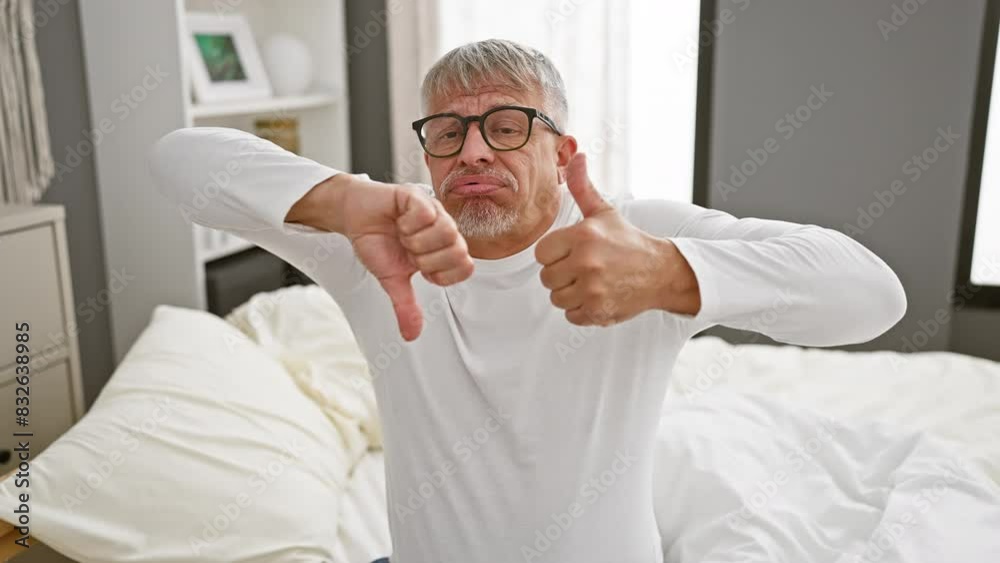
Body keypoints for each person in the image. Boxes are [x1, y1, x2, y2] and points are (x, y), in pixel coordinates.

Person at [149, 39, 906, 563]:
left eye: (507, 127)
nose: (473, 150)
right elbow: (176, 160)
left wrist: (669, 272)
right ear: (428, 155)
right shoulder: (381, 234)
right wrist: (339, 199)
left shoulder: (636, 237)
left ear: (562, 152)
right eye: (448, 132)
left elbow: (875, 294)